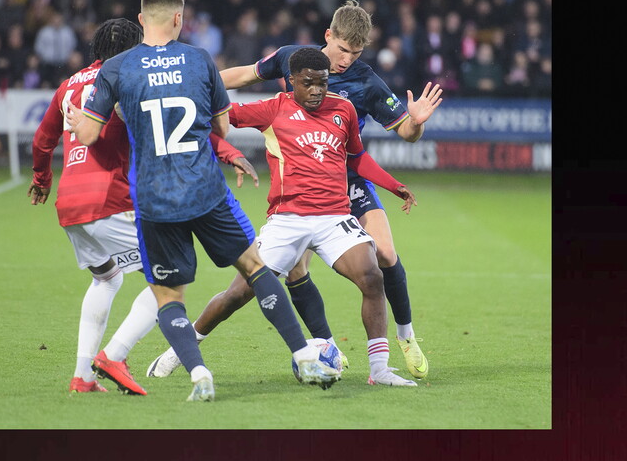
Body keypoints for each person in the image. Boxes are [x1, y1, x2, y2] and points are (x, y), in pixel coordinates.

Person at [67, 0, 340, 402]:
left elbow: (87, 133)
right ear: (179, 18)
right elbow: (222, 128)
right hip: (204, 190)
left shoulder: (118, 68)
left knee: (168, 295)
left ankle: (198, 374)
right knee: (255, 267)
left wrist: (74, 118)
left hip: (155, 198)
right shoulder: (198, 60)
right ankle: (304, 354)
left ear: (142, 21)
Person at [151, 47, 428, 386]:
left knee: (372, 277)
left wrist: (392, 184)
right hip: (287, 219)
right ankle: (181, 349)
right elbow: (211, 119)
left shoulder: (343, 110)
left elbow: (356, 157)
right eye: (308, 83)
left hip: (333, 218)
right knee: (237, 295)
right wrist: (230, 153)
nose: (316, 91)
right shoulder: (273, 108)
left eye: (323, 84)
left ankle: (380, 370)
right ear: (292, 81)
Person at [208, 0, 442, 380]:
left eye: (357, 52)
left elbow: (405, 132)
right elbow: (247, 75)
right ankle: (325, 344)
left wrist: (416, 124)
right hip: (301, 180)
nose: (348, 59)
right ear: (328, 36)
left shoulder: (365, 80)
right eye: (343, 49)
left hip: (349, 180)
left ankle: (406, 336)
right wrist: (202, 80)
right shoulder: (292, 59)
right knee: (296, 268)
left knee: (383, 252)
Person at [29, 17, 259, 396]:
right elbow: (181, 129)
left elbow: (43, 140)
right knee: (170, 280)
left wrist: (41, 179)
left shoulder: (68, 85)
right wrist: (229, 151)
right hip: (109, 200)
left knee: (106, 278)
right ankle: (114, 355)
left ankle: (82, 377)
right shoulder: (129, 80)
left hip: (70, 203)